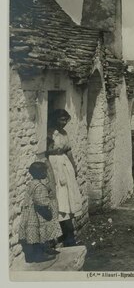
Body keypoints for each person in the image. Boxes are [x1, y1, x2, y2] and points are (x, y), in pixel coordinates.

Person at [46, 109, 83, 247]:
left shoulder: (64, 133)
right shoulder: (50, 132)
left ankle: (68, 235)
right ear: (55, 119)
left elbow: (68, 151)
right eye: (62, 120)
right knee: (59, 195)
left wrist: (74, 167)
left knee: (68, 194)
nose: (64, 123)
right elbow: (46, 150)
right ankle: (61, 235)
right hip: (54, 164)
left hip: (64, 164)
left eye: (65, 120)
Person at [19, 162, 62, 263]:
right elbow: (41, 202)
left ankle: (46, 248)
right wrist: (49, 210)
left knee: (43, 233)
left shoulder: (33, 183)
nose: (46, 173)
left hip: (33, 211)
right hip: (36, 214)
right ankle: (38, 256)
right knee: (39, 233)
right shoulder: (39, 186)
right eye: (44, 171)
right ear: (38, 173)